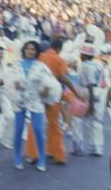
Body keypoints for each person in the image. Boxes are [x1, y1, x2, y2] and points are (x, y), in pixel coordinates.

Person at [25, 36, 79, 165]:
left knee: (34, 124)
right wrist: (76, 92)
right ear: (59, 49)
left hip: (37, 93)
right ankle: (57, 155)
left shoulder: (39, 56)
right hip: (52, 94)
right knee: (54, 124)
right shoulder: (59, 60)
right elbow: (64, 79)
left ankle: (33, 154)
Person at [11, 40, 55, 171]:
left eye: (33, 49)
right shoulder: (16, 65)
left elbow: (50, 81)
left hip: (36, 99)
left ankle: (42, 158)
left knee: (38, 130)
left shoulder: (41, 66)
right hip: (20, 99)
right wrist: (14, 85)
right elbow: (10, 79)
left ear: (37, 51)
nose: (30, 51)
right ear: (24, 50)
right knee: (18, 129)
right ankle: (17, 157)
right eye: (28, 49)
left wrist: (46, 89)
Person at [71, 43, 106, 156]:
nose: (80, 55)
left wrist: (90, 104)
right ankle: (97, 147)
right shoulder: (99, 65)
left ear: (84, 55)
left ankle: (78, 145)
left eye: (81, 54)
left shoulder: (85, 66)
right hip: (99, 92)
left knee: (76, 118)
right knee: (96, 122)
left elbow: (90, 84)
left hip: (86, 92)